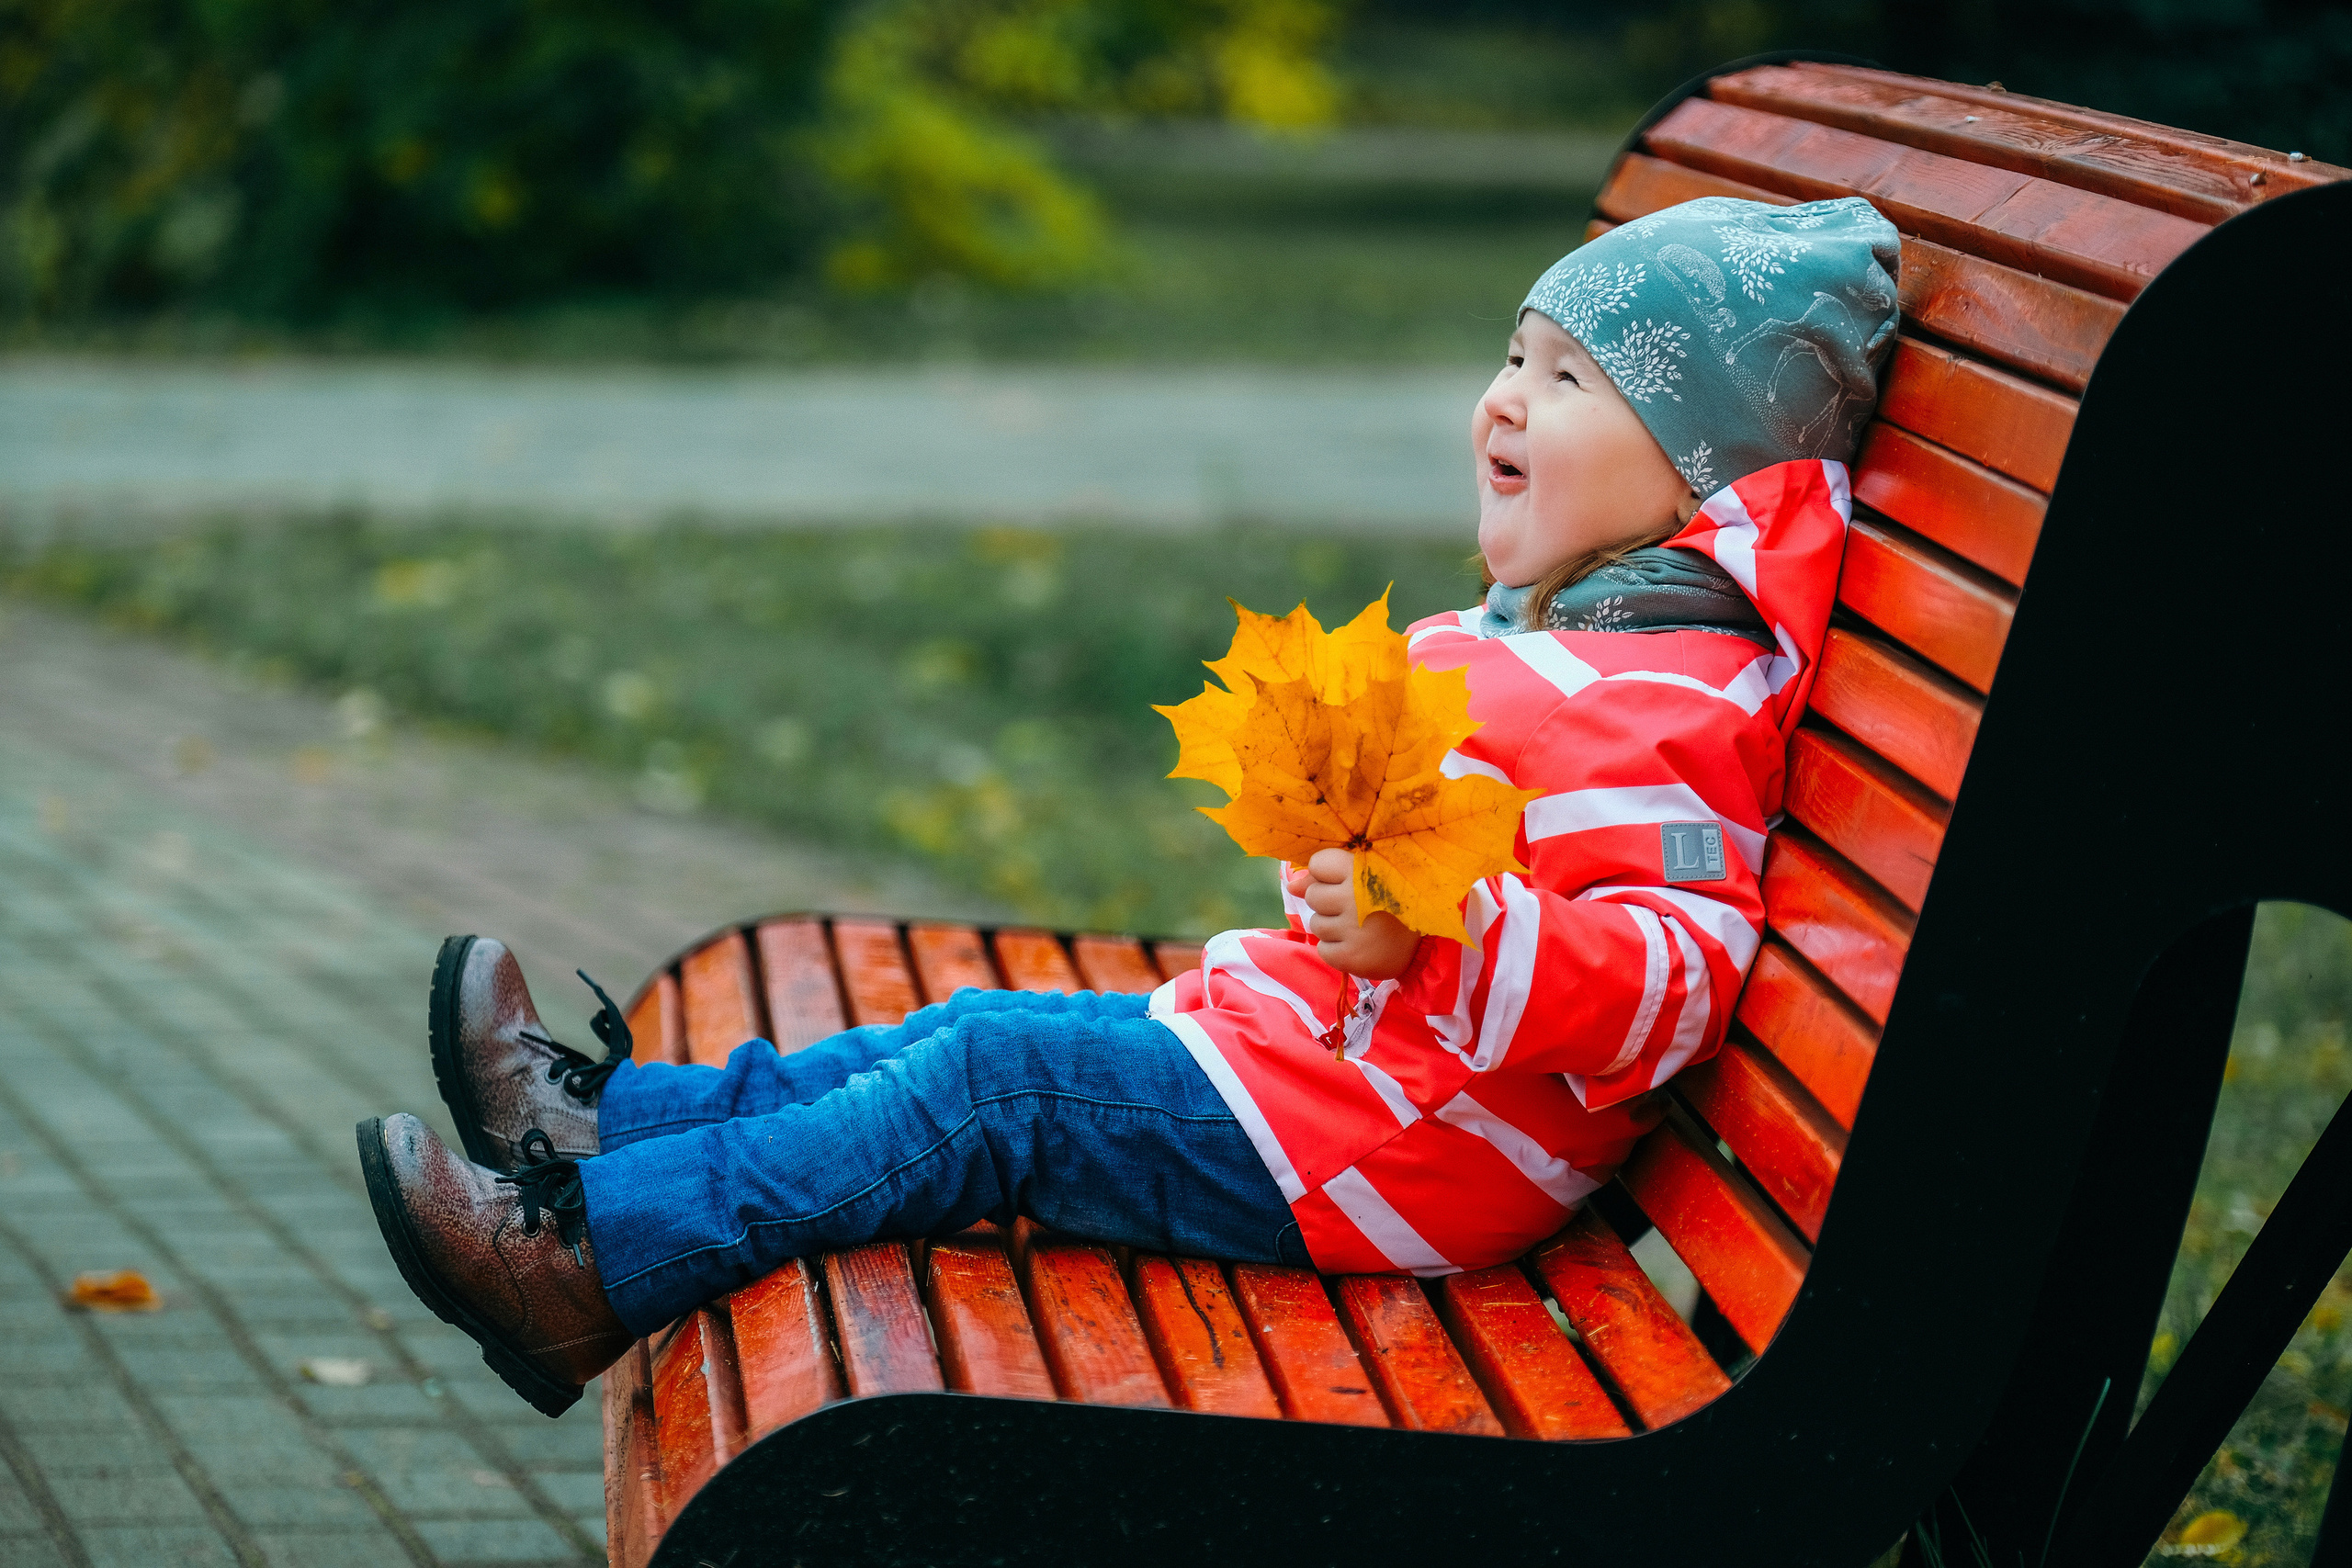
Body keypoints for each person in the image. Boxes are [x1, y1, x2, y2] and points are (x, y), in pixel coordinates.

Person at [357, 194, 1905, 1417]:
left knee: (992, 1094)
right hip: (1317, 1083)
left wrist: (1438, 927)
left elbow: (1674, 981)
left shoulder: (1677, 702)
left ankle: (585, 1269)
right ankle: (597, 1129)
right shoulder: (1589, 634)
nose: (1507, 399)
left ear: (1699, 473)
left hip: (1391, 1159)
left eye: (1572, 381)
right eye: (1514, 356)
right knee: (954, 1048)